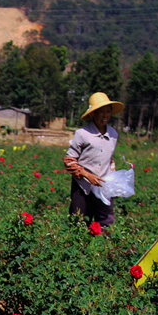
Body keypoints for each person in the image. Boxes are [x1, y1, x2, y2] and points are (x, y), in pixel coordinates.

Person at [63, 92, 125, 227]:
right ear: (93, 114)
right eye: (101, 112)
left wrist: (114, 182)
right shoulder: (82, 134)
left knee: (106, 223)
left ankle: (102, 247)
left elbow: (110, 160)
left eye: (108, 112)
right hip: (83, 186)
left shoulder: (113, 134)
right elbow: (69, 160)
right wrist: (86, 174)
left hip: (103, 186)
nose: (105, 115)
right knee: (78, 222)